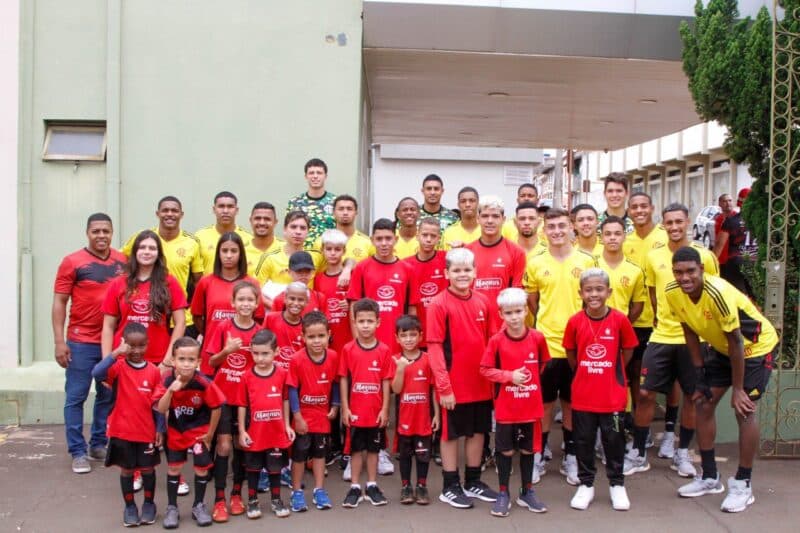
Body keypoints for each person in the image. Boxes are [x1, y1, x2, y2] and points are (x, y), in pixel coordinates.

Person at [667, 247, 777, 512]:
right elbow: (689, 330)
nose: (685, 278)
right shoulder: (673, 292)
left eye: (691, 271)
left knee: (744, 410)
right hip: (722, 349)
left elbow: (736, 341)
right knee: (703, 403)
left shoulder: (717, 292)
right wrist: (699, 374)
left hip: (754, 348)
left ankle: (743, 484)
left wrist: (738, 389)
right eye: (679, 272)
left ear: (702, 270)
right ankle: (709, 476)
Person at [625, 203, 719, 478]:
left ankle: (682, 454)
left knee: (692, 396)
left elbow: (714, 295)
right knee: (645, 394)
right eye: (670, 222)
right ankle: (639, 453)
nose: (675, 227)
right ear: (663, 224)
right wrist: (661, 318)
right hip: (662, 335)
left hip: (695, 339)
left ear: (688, 222)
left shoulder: (705, 256)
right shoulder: (654, 257)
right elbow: (653, 294)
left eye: (679, 221)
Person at [524, 208, 595, 483]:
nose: (557, 231)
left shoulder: (587, 261)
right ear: (544, 231)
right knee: (543, 405)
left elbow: (592, 300)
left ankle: (571, 457)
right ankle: (537, 456)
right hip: (546, 345)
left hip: (577, 347)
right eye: (551, 227)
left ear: (571, 228)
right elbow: (533, 301)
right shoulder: (535, 262)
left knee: (571, 404)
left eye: (562, 226)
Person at [53, 212, 126, 474]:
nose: (101, 236)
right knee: (76, 397)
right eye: (96, 231)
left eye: (106, 231)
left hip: (112, 343)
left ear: (112, 232)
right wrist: (59, 341)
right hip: (80, 342)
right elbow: (59, 302)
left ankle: (98, 444)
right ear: (87, 233)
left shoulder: (123, 262)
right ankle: (77, 451)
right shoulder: (72, 262)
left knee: (107, 396)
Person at [428, 248, 497, 509]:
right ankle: (450, 486)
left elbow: (493, 341)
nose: (462, 275)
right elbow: (435, 347)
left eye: (467, 270)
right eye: (456, 270)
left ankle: (473, 481)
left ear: (475, 272)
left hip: (481, 383)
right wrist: (444, 387)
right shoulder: (438, 304)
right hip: (453, 386)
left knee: (478, 431)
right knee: (450, 435)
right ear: (446, 273)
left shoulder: (483, 301)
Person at [564, 269, 638, 511]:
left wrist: (613, 370)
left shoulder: (620, 320)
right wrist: (585, 371)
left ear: (609, 292)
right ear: (580, 293)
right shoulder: (575, 321)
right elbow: (571, 353)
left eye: (599, 289)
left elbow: (628, 349)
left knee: (614, 440)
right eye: (588, 290)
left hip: (612, 396)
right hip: (583, 395)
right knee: (583, 441)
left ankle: (617, 485)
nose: (594, 294)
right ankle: (586, 484)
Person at [479, 288, 549, 517]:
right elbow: (485, 370)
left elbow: (542, 364)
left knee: (528, 450)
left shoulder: (537, 338)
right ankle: (503, 493)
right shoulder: (496, 341)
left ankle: (527, 492)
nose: (514, 317)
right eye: (508, 313)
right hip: (506, 408)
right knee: (506, 451)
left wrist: (528, 383)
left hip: (531, 407)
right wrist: (509, 376)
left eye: (518, 311)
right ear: (501, 314)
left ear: (526, 311)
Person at [91, 323, 165, 527]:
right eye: (131, 346)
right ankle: (130, 506)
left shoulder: (154, 371)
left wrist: (160, 428)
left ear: (148, 344)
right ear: (124, 344)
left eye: (141, 345)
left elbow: (158, 404)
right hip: (121, 431)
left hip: (146, 431)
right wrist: (116, 353)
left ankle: (149, 504)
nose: (136, 351)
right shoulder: (118, 367)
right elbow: (97, 373)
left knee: (148, 470)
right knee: (126, 470)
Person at [202, 281, 261, 522]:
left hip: (247, 400)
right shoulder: (223, 326)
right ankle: (219, 499)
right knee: (224, 446)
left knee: (242, 445)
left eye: (250, 300)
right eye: (241, 299)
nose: (245, 304)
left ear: (257, 304)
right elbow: (211, 362)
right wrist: (226, 351)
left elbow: (264, 364)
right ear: (233, 303)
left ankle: (237, 494)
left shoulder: (260, 332)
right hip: (223, 397)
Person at [157, 337, 225, 529]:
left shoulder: (203, 383)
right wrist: (170, 391)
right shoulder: (167, 379)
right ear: (173, 360)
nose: (186, 364)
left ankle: (199, 505)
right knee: (174, 469)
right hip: (176, 431)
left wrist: (210, 434)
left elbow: (217, 407)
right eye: (181, 359)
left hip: (199, 433)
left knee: (201, 469)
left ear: (198, 362)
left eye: (191, 359)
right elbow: (161, 408)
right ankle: (172, 508)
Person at [101, 230, 187, 366]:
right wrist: (107, 361)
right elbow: (108, 326)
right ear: (135, 251)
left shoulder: (169, 282)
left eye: (152, 248)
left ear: (158, 253)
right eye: (142, 247)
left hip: (158, 360)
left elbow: (180, 323)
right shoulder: (118, 283)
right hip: (122, 359)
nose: (147, 252)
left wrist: (167, 361)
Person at [121, 196, 203, 337]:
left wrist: (196, 312)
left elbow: (198, 281)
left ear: (181, 214)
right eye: (165, 210)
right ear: (157, 213)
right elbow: (120, 259)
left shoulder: (192, 243)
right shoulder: (144, 238)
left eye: (174, 211)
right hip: (149, 316)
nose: (169, 214)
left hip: (182, 318)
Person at [338, 298, 393, 508]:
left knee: (373, 450)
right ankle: (354, 487)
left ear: (378, 322)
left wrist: (385, 409)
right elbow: (343, 378)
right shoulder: (348, 349)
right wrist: (345, 407)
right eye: (361, 321)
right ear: (354, 322)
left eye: (370, 321)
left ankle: (371, 486)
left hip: (375, 412)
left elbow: (386, 380)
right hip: (355, 412)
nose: (366, 326)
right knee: (355, 450)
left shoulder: (384, 350)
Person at [622, 192, 668, 439]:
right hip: (634, 320)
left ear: (652, 208)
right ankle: (637, 427)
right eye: (634, 207)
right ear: (629, 211)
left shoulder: (665, 236)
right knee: (634, 377)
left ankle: (667, 430)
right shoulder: (625, 241)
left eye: (643, 206)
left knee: (663, 380)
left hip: (662, 322)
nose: (639, 210)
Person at [238, 329, 296, 519]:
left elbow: (285, 400)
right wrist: (242, 430)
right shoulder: (246, 376)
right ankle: (252, 501)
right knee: (253, 469)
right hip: (255, 431)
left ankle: (276, 500)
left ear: (276, 352)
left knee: (275, 468)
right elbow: (242, 405)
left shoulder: (282, 374)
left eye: (265, 353)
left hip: (275, 431)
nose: (260, 358)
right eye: (255, 353)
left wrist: (287, 425)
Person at [287, 311, 340, 512]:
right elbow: (292, 389)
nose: (316, 341)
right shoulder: (296, 359)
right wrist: (297, 416)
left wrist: (335, 405)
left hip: (322, 416)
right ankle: (296, 492)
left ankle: (319, 490)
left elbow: (335, 383)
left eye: (321, 336)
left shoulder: (333, 356)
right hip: (303, 417)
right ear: (303, 337)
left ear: (329, 335)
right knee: (299, 456)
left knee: (319, 454)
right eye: (311, 337)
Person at [191, 231, 263, 376]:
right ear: (218, 253)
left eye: (234, 251)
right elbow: (197, 315)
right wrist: (211, 335)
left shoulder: (251, 283)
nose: (229, 255)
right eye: (224, 251)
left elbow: (259, 318)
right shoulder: (206, 282)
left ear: (241, 254)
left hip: (243, 356)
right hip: (212, 354)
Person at [391, 315, 440, 505]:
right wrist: (401, 369)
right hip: (405, 419)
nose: (409, 339)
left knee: (423, 455)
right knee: (405, 455)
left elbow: (434, 389)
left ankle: (422, 486)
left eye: (413, 335)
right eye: (404, 335)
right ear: (397, 338)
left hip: (423, 419)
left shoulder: (428, 359)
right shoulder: (396, 360)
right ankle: (406, 487)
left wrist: (436, 414)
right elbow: (396, 389)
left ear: (421, 336)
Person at [347, 218, 411, 355]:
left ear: (396, 239)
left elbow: (411, 309)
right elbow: (354, 305)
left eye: (388, 238)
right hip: (369, 342)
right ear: (372, 240)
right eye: (379, 239)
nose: (384, 243)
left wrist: (409, 342)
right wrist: (358, 342)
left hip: (397, 343)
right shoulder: (362, 268)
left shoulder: (407, 269)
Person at [467, 195, 526, 335]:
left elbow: (517, 294)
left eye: (495, 216)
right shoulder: (467, 252)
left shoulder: (516, 252)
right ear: (478, 219)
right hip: (472, 327)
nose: (490, 221)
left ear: (503, 219)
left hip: (504, 329)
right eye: (485, 216)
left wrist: (506, 328)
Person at [254, 211, 325, 299]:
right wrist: (275, 305)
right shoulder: (269, 258)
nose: (298, 232)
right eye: (293, 227)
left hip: (309, 306)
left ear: (308, 231)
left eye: (303, 228)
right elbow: (256, 290)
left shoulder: (317, 256)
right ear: (285, 229)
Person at [404, 217, 448, 348]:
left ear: (439, 238)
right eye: (424, 235)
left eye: (433, 236)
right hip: (417, 335)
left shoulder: (447, 259)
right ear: (417, 236)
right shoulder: (405, 265)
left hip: (444, 333)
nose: (428, 239)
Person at [596, 216, 646, 324]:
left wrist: (622, 326)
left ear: (624, 236)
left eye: (617, 234)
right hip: (591, 328)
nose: (612, 238)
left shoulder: (635, 271)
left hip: (620, 329)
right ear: (601, 237)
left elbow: (638, 305)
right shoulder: (591, 265)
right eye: (608, 234)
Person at [195, 191, 254, 275]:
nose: (225, 211)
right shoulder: (200, 237)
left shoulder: (249, 239)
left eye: (230, 206)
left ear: (237, 210)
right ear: (214, 209)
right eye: (221, 206)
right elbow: (195, 274)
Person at [287, 158, 337, 247]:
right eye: (311, 173)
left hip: (328, 252)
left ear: (325, 176)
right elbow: (289, 231)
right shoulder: (295, 203)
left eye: (319, 173)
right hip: (302, 252)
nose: (315, 176)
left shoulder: (335, 202)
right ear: (306, 176)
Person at [312, 194, 374, 263]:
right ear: (333, 212)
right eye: (341, 209)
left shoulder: (368, 243)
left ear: (356, 212)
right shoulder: (321, 242)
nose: (345, 213)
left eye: (349, 209)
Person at [713, 193, 753, 297]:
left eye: (730, 200)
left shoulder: (732, 220)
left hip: (734, 261)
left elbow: (719, 244)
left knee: (735, 294)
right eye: (725, 201)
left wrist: (711, 261)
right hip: (725, 261)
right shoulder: (718, 219)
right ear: (719, 203)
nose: (728, 203)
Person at [262, 282, 309, 370]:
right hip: (272, 372)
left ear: (306, 302)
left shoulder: (307, 326)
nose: (296, 303)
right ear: (285, 299)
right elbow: (261, 344)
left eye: (300, 300)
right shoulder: (271, 319)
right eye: (292, 298)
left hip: (294, 373)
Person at [245, 202, 284, 276]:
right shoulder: (241, 251)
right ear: (250, 220)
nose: (262, 223)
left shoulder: (286, 249)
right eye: (257, 218)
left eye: (267, 219)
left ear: (275, 222)